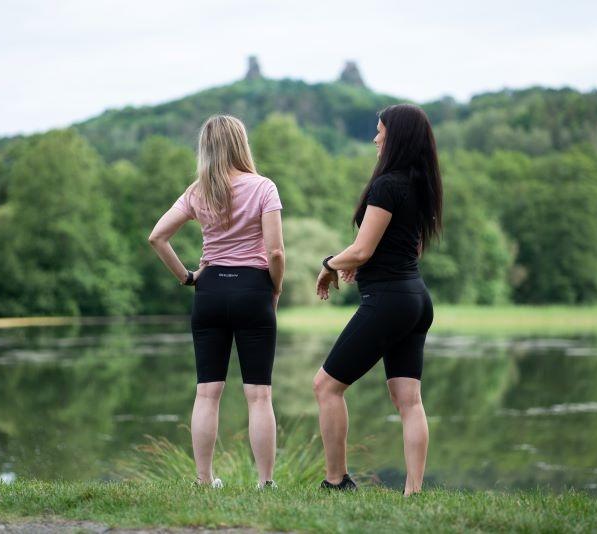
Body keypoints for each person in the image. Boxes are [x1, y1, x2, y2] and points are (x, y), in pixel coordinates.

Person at [148, 114, 285, 489]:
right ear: (241, 144)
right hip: (253, 289)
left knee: (207, 392)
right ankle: (265, 483)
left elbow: (157, 237)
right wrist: (275, 289)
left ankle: (203, 479)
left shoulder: (198, 191)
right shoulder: (264, 188)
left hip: (209, 291)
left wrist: (187, 277)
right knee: (259, 395)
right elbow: (275, 252)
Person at [312, 104, 442, 495]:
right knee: (409, 400)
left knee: (326, 386)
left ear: (395, 137)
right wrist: (359, 262)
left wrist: (330, 264)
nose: (375, 138)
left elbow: (362, 248)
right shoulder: (421, 185)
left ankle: (337, 480)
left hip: (389, 300)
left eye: (380, 131)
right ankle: (413, 492)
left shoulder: (387, 185)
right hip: (416, 298)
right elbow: (408, 247)